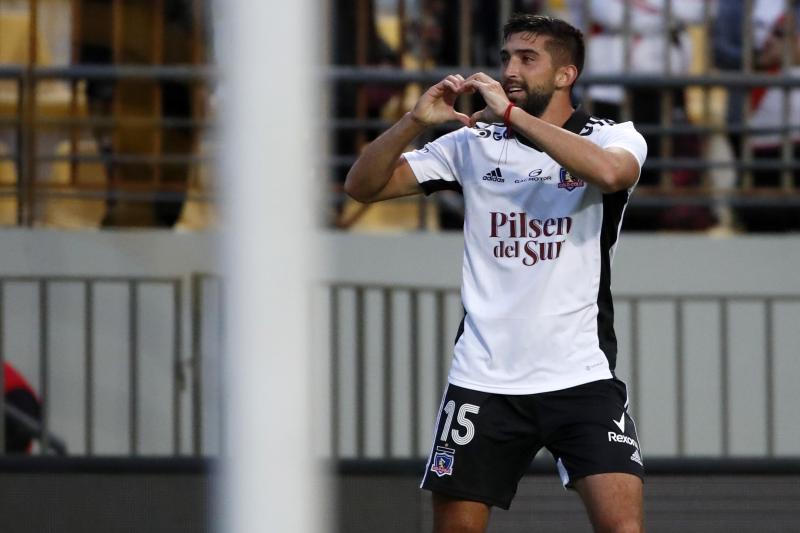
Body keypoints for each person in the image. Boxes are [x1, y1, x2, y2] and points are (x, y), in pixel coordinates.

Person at [345, 14, 647, 533]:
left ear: (564, 74)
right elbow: (363, 186)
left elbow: (611, 173)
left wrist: (511, 114)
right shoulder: (471, 143)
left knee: (622, 527)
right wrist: (414, 121)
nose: (510, 68)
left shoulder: (612, 135)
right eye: (506, 57)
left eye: (527, 59)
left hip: (580, 373)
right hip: (482, 378)